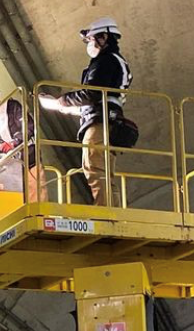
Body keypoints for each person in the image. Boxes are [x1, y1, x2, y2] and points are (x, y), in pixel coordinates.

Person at [39, 17, 132, 206]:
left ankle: (104, 214)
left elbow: (92, 93)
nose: (89, 44)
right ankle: (113, 213)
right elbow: (100, 99)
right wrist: (65, 107)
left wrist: (63, 101)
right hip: (109, 122)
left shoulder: (105, 61)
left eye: (90, 39)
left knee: (94, 168)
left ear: (104, 37)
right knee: (105, 174)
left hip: (99, 125)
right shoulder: (116, 61)